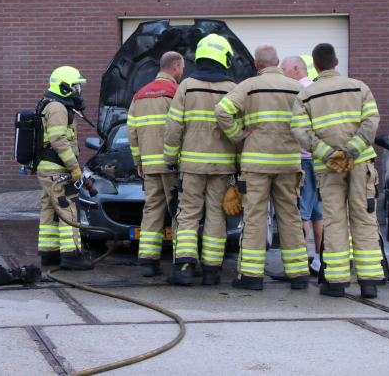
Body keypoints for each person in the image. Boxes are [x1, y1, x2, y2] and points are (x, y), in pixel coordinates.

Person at [291, 43, 387, 298]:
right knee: (364, 219)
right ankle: (368, 283)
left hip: (328, 167)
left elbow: (300, 131)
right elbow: (371, 122)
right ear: (335, 63)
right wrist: (351, 151)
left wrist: (328, 154)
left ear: (316, 66)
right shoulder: (359, 87)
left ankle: (335, 282)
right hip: (362, 165)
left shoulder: (306, 95)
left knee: (333, 221)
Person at [215, 45, 310, 291]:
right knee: (290, 215)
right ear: (277, 62)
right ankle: (299, 274)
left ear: (257, 65)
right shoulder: (297, 87)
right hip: (289, 163)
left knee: (255, 217)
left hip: (256, 164)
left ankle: (251, 277)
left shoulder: (247, 86)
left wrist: (238, 136)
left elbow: (222, 111)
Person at [163, 35, 238, 286]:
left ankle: (184, 267)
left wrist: (170, 158)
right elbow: (240, 129)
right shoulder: (233, 89)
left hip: (192, 167)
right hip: (222, 167)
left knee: (188, 214)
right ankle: (212, 271)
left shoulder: (187, 86)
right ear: (224, 58)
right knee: (217, 214)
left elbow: (173, 126)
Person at [127, 51, 185, 277]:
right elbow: (182, 127)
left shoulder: (139, 95)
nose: (182, 73)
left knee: (152, 210)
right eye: (182, 69)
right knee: (180, 211)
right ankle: (183, 260)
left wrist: (138, 161)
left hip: (150, 166)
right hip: (173, 164)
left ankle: (148, 262)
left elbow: (131, 132)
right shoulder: (176, 92)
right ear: (175, 67)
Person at [36, 66, 93, 270]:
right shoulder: (58, 108)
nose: (79, 91)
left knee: (51, 208)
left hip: (48, 168)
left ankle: (49, 253)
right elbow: (58, 140)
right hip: (57, 169)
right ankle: (71, 256)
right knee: (67, 207)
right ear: (65, 88)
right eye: (76, 87)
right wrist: (74, 167)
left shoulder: (49, 105)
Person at [282, 55, 323, 277]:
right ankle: (318, 261)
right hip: (320, 159)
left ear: (297, 69)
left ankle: (299, 266)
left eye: (284, 69)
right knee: (318, 213)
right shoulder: (318, 89)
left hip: (303, 159)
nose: (282, 73)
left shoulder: (299, 91)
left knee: (302, 213)